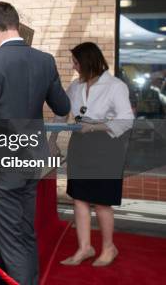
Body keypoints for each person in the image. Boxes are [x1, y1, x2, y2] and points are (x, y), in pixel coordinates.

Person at [0, 2, 70, 285]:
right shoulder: (45, 60)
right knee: (26, 231)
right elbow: (62, 105)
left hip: (2, 163)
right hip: (32, 158)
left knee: (11, 238)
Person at [56, 42, 133, 267]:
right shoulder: (75, 86)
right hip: (80, 145)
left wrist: (96, 127)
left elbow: (127, 119)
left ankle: (109, 247)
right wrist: (51, 139)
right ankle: (85, 248)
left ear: (88, 61)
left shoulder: (115, 86)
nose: (74, 66)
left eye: (76, 62)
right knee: (79, 198)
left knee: (101, 202)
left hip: (106, 147)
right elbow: (62, 113)